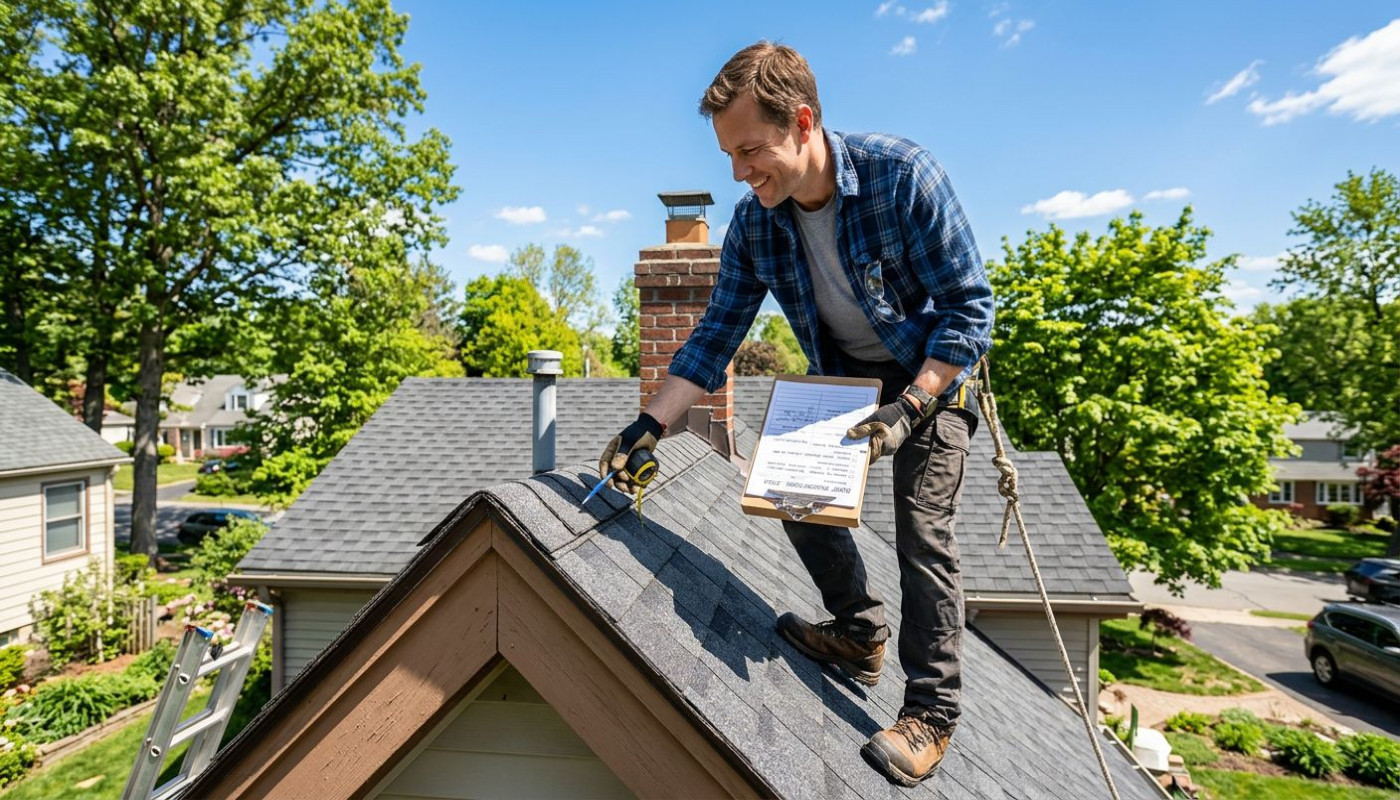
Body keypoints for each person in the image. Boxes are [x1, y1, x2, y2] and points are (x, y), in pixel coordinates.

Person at [599, 41, 993, 788]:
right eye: (730, 156)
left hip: (933, 376)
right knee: (791, 485)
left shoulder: (901, 175)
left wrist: (911, 405)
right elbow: (717, 333)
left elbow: (970, 312)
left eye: (751, 150)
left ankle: (932, 714)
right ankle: (857, 632)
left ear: (803, 121)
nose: (741, 173)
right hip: (847, 378)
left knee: (922, 529)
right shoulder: (756, 224)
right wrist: (647, 425)